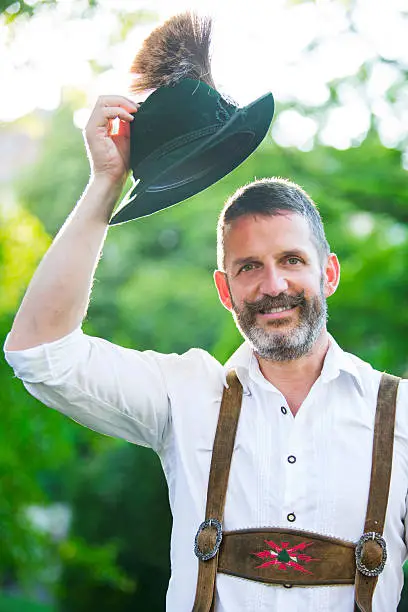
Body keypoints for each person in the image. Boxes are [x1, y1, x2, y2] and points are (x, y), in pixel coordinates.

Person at [4, 95, 408, 612]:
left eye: (291, 259)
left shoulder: (397, 415)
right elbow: (40, 353)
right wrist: (106, 183)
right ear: (225, 290)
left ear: (327, 272)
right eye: (249, 268)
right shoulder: (186, 394)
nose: (273, 284)